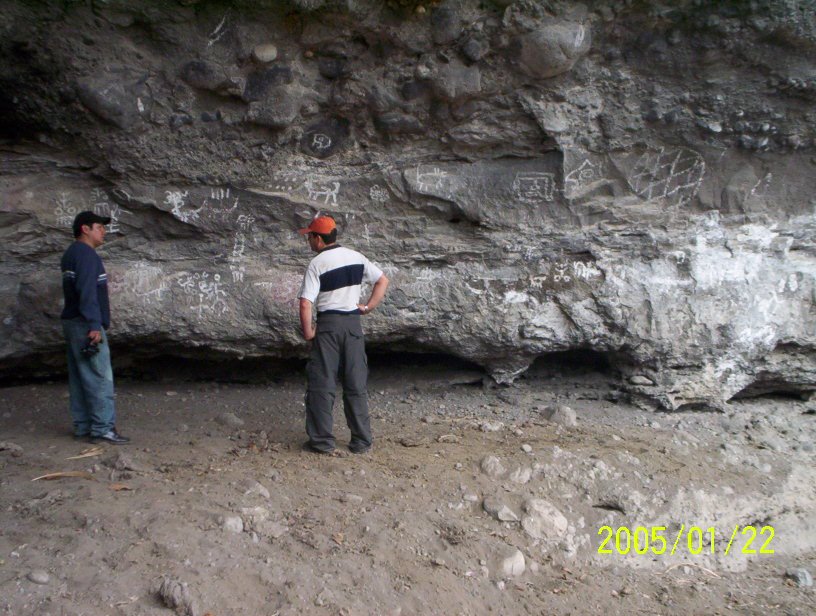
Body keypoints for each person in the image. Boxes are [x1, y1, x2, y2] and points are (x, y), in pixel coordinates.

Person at [298, 215, 389, 454]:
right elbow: (382, 280)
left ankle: (322, 442)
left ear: (318, 238)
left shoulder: (317, 263)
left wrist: (309, 332)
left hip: (328, 325)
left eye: (310, 236)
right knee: (355, 383)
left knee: (322, 383)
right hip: (352, 325)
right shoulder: (356, 257)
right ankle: (361, 441)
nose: (309, 241)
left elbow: (306, 303)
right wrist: (367, 307)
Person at [60, 211, 129, 444]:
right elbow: (87, 291)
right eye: (100, 227)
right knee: (99, 376)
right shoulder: (87, 256)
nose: (104, 232)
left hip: (71, 322)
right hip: (85, 323)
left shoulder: (71, 254)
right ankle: (102, 429)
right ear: (85, 229)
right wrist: (94, 324)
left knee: (80, 377)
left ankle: (83, 427)